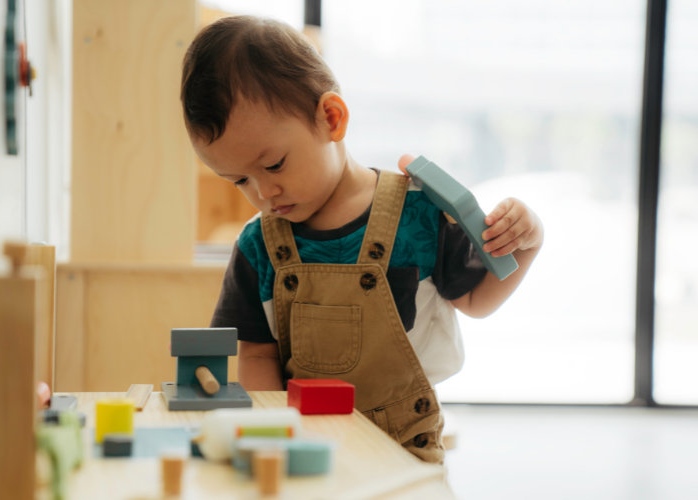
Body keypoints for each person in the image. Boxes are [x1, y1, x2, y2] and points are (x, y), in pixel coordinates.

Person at [180, 15, 543, 464]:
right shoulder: (257, 245)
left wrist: (525, 246)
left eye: (273, 165)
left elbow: (477, 302)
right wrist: (271, 433)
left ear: (331, 118)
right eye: (239, 181)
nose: (262, 193)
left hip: (405, 445)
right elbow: (256, 352)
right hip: (302, 442)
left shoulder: (420, 212)